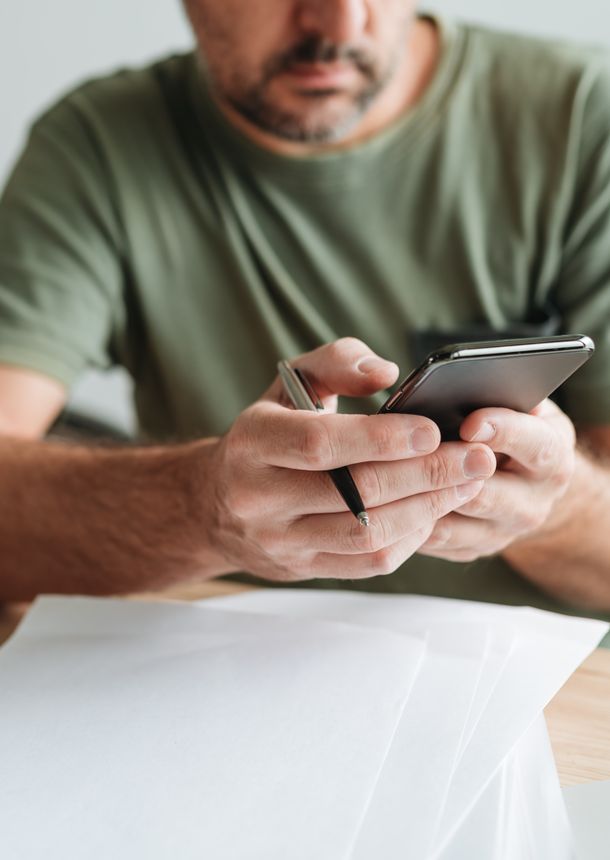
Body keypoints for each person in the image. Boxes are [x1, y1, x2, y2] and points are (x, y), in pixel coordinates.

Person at [1, 2, 610, 621]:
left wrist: (556, 511)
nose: (340, 25)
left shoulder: (585, 118)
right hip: (235, 671)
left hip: (559, 693)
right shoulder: (98, 146)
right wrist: (201, 508)